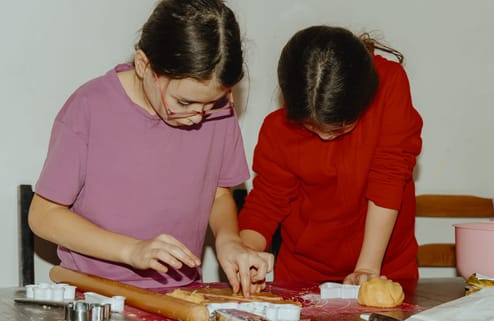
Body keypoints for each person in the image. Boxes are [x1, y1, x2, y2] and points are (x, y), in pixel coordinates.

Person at [28, 0, 273, 296]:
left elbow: (218, 194)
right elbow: (44, 215)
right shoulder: (90, 108)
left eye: (213, 103)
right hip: (93, 295)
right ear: (144, 65)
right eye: (184, 102)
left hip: (181, 293)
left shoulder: (217, 112)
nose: (199, 116)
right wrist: (132, 250)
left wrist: (228, 239)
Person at [239, 26, 423, 286]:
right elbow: (267, 202)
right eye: (310, 126)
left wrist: (368, 268)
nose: (325, 137)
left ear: (365, 99)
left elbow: (389, 176)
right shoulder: (277, 129)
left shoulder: (389, 84)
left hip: (384, 271)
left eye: (340, 127)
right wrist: (245, 251)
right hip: (304, 276)